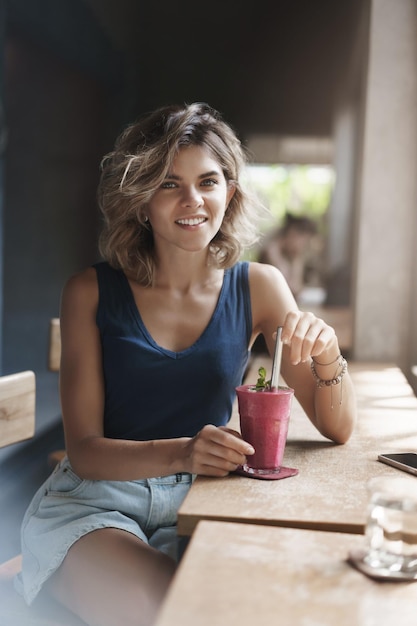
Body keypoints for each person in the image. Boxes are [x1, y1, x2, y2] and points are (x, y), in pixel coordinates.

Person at [16, 103, 356, 626]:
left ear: (231, 193)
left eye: (208, 181)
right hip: (95, 507)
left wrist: (328, 355)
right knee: (174, 610)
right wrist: (185, 451)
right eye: (169, 183)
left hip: (212, 500)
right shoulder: (88, 291)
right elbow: (84, 454)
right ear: (141, 201)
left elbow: (338, 428)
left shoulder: (259, 286)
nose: (192, 200)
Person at [258, 213, 318, 299]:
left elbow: (296, 289)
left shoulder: (292, 256)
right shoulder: (270, 253)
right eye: (303, 242)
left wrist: (297, 260)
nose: (302, 247)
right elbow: (288, 289)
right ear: (292, 234)